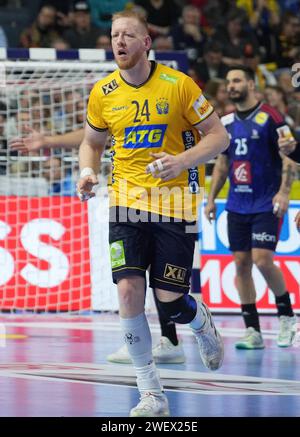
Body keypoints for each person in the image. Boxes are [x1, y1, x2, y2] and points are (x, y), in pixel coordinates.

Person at [77, 10, 228, 417]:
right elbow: (91, 142)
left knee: (171, 299)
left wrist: (181, 161)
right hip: (126, 201)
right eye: (114, 35)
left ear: (147, 43)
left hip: (175, 204)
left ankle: (199, 323)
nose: (119, 41)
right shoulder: (104, 91)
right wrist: (87, 170)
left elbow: (219, 136)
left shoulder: (179, 86)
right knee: (127, 291)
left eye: (128, 35)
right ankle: (151, 393)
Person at [10, 126, 187, 365]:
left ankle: (174, 336)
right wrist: (49, 141)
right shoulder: (112, 97)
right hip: (126, 197)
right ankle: (145, 342)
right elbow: (94, 136)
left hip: (167, 195)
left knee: (161, 278)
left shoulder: (164, 94)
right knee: (130, 278)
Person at [205, 65, 298, 351]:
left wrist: (284, 193)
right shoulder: (226, 121)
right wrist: (211, 199)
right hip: (236, 205)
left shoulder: (272, 116)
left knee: (262, 260)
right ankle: (252, 330)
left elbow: (290, 156)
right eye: (229, 81)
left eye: (237, 80)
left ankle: (286, 317)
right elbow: (222, 164)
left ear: (250, 84)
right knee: (241, 264)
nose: (231, 85)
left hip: (266, 201)